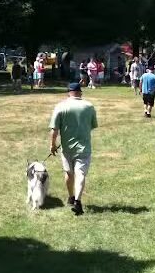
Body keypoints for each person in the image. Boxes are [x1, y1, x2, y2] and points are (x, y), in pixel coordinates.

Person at [49, 83, 98, 216]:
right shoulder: (89, 106)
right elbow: (92, 125)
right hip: (84, 147)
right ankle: (78, 201)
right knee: (80, 174)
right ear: (80, 93)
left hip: (67, 148)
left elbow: (54, 130)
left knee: (69, 173)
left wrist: (52, 145)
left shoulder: (60, 106)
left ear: (68, 93)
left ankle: (71, 197)